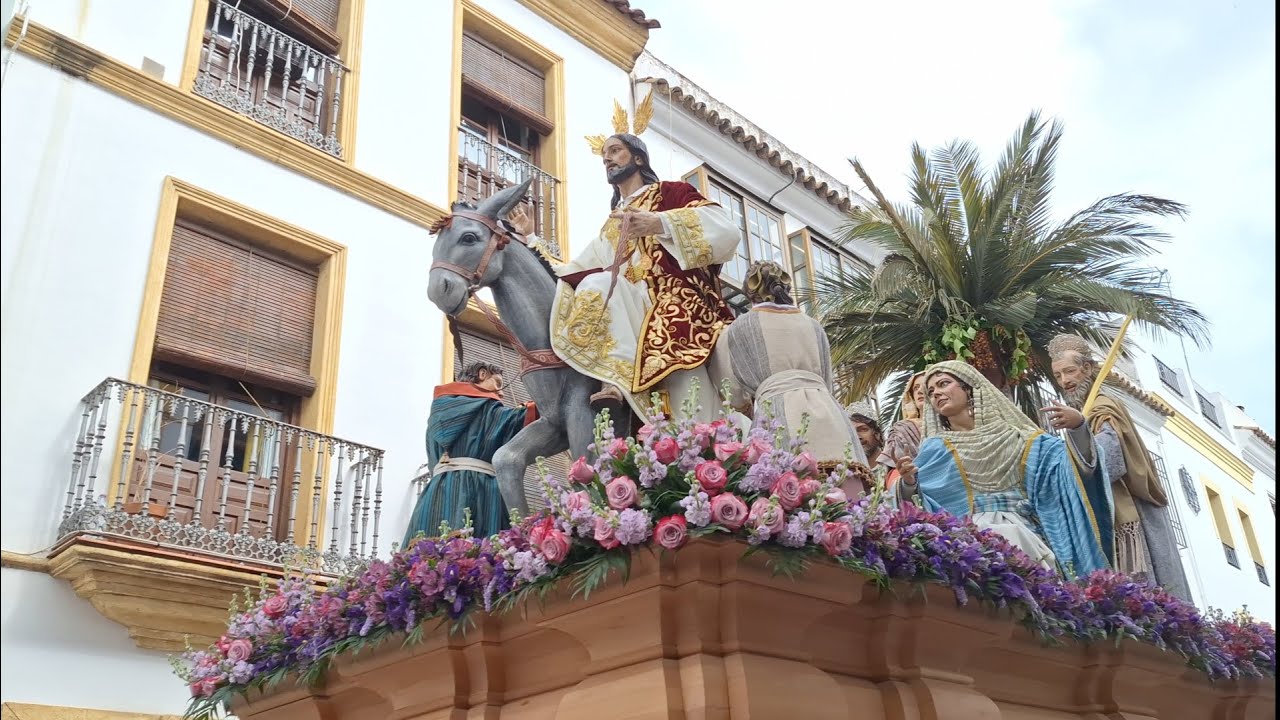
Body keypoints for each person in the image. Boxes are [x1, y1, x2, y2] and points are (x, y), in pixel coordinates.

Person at [511, 130, 740, 421]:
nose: (607, 159)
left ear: (638, 158)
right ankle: (614, 379)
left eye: (616, 150)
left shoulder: (670, 193)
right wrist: (531, 238)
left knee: (691, 406)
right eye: (604, 156)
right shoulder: (611, 226)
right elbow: (571, 275)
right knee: (596, 283)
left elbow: (727, 231)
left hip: (674, 303)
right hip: (630, 309)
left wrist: (658, 222)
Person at [897, 360, 1113, 577]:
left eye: (944, 384)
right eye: (931, 390)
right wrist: (908, 483)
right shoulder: (935, 449)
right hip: (969, 543)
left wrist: (1078, 428)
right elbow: (919, 505)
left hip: (1029, 535)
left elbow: (1070, 470)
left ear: (969, 387)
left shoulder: (1021, 438)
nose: (936, 393)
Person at [1047, 334, 1192, 598]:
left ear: (1088, 369)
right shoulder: (1087, 410)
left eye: (1070, 371)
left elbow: (1110, 462)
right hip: (1104, 511)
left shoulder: (1104, 407)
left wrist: (1080, 426)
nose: (1065, 381)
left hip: (1130, 514)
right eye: (1058, 376)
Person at [720, 261, 869, 494]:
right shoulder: (812, 324)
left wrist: (744, 407)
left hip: (776, 408)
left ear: (750, 292)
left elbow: (732, 390)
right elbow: (826, 379)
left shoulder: (739, 327)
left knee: (785, 495)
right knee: (846, 500)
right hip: (829, 415)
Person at [402, 362, 537, 545]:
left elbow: (433, 460)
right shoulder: (487, 410)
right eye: (497, 383)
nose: (501, 392)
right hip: (479, 488)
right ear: (482, 374)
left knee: (427, 557)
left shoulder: (435, 416)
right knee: (485, 556)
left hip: (436, 491)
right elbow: (524, 419)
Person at [876, 371, 926, 492]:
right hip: (918, 492)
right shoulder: (902, 430)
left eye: (925, 385)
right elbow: (889, 470)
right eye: (915, 388)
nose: (919, 391)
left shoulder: (957, 424)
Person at [847, 402, 886, 487]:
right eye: (852, 432)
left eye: (863, 429)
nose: (857, 437)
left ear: (877, 434)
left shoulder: (892, 468)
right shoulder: (846, 474)